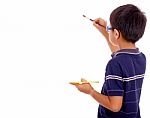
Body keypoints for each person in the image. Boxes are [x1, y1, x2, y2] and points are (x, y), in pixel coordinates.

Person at [70, 4, 147, 118]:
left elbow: (114, 106)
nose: (108, 30)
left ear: (116, 33)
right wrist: (104, 30)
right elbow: (119, 53)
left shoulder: (115, 64)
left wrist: (90, 91)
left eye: (110, 28)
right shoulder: (141, 57)